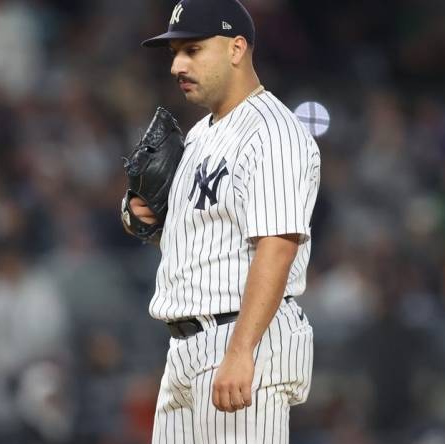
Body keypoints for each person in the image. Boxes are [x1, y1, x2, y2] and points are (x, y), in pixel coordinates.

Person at [125, 0, 321, 441]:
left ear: (236, 48)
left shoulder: (273, 132)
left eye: (192, 50)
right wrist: (143, 217)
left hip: (239, 338)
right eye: (174, 53)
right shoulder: (200, 134)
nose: (177, 65)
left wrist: (241, 351)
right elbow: (197, 239)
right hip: (187, 347)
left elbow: (278, 245)